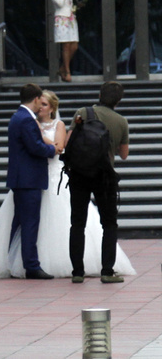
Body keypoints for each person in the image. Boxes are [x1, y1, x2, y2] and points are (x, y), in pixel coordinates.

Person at [0, 90, 134, 279]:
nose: (41, 107)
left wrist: (41, 136)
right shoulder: (30, 122)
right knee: (29, 221)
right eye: (40, 103)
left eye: (45, 104)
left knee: (67, 220)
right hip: (36, 176)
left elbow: (60, 146)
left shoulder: (57, 124)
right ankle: (27, 261)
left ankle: (68, 265)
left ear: (52, 108)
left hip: (54, 175)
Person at [69, 81, 131, 283]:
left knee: (77, 223)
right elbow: (124, 154)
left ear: (100, 95)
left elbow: (69, 141)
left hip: (79, 174)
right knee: (109, 223)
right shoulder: (121, 121)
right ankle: (107, 271)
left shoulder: (83, 113)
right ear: (118, 100)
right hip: (104, 176)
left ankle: (77, 272)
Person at [5, 83, 62, 279]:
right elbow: (35, 147)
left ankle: (13, 262)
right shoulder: (26, 120)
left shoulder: (18, 117)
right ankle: (31, 266)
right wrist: (52, 149)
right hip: (29, 179)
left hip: (21, 178)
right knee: (30, 222)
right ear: (36, 99)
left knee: (20, 222)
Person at [50, 0, 79, 82]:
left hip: (70, 19)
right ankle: (67, 71)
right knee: (66, 45)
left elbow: (69, 5)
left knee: (74, 46)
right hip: (62, 19)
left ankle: (62, 68)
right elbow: (60, 4)